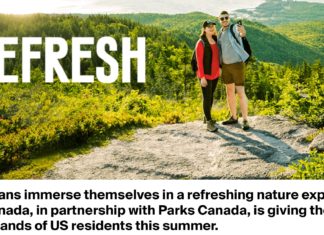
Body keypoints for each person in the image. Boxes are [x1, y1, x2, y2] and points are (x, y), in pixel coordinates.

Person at [217, 11, 250, 130]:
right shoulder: (220, 33)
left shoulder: (233, 28)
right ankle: (234, 117)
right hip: (225, 66)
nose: (224, 20)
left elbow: (240, 34)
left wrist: (243, 32)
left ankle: (245, 119)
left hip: (237, 65)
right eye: (222, 18)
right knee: (229, 92)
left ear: (229, 18)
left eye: (226, 18)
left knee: (240, 92)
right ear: (219, 20)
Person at [196, 20, 221, 132]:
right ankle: (209, 123)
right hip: (205, 75)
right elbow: (199, 62)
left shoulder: (215, 39)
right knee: (207, 97)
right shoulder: (201, 43)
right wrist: (202, 77)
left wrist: (220, 68)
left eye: (213, 26)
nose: (211, 28)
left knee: (211, 96)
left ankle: (207, 117)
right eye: (209, 26)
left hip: (215, 73)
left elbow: (217, 56)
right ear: (204, 29)